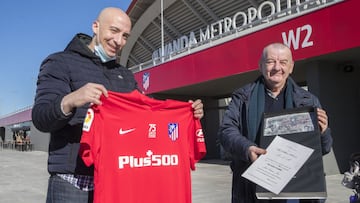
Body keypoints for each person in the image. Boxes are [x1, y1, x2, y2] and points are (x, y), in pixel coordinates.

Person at [32, 7, 204, 203]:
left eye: (125, 36)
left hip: (118, 183)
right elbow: (41, 117)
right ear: (95, 27)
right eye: (113, 31)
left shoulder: (125, 75)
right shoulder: (60, 62)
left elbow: (145, 114)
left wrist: (184, 112)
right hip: (73, 184)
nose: (119, 41)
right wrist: (71, 99)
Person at [218, 43, 333, 203]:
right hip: (253, 188)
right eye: (271, 61)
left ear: (291, 67)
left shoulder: (309, 101)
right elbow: (226, 131)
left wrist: (323, 131)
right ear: (261, 65)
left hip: (296, 189)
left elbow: (325, 148)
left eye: (283, 62)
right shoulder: (243, 97)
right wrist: (247, 148)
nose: (277, 67)